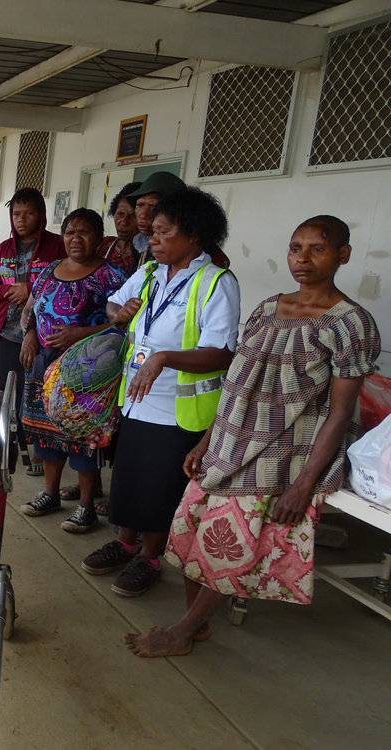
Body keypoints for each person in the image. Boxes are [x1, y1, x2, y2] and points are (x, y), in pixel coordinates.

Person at [126, 216, 381, 657]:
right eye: (295, 247)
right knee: (188, 533)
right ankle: (198, 624)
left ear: (343, 256)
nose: (302, 258)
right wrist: (206, 442)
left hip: (286, 454)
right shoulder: (268, 308)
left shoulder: (350, 324)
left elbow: (340, 412)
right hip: (228, 441)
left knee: (234, 543)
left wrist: (304, 484)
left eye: (317, 249)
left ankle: (183, 631)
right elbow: (237, 385)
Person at [81, 186, 241, 597]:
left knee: (159, 488)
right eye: (151, 232)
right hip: (137, 400)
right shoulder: (150, 271)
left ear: (194, 236)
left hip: (177, 409)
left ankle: (150, 557)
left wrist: (164, 358)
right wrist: (122, 313)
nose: (151, 239)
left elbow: (220, 353)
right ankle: (125, 541)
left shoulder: (215, 282)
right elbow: (114, 307)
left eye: (162, 232)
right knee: (129, 479)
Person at [17, 208, 126, 530]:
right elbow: (31, 310)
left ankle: (86, 507)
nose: (75, 239)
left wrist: (81, 334)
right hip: (43, 364)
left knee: (81, 436)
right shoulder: (50, 270)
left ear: (97, 238)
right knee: (47, 434)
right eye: (69, 233)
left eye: (84, 232)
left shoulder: (112, 276)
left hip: (85, 371)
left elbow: (123, 323)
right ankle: (49, 493)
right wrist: (29, 335)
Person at [0, 187, 66, 476]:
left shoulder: (58, 246)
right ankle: (8, 445)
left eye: (29, 213)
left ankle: (41, 452)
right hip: (7, 333)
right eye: (16, 214)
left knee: (41, 396)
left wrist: (29, 289)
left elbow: (65, 282)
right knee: (4, 392)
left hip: (45, 337)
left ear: (41, 215)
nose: (21, 219)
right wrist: (8, 292)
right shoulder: (3, 250)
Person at [99, 182, 141, 275]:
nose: (124, 222)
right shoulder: (103, 245)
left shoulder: (149, 252)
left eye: (133, 216)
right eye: (120, 214)